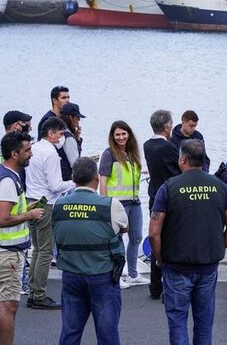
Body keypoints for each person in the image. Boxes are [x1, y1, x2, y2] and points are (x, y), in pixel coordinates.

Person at [149, 139, 227, 345]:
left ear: (182, 159)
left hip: (177, 265)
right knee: (204, 323)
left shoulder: (168, 188)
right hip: (208, 266)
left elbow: (154, 232)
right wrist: (218, 246)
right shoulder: (220, 187)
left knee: (178, 322)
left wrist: (161, 259)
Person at [52, 157, 128, 345]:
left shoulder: (59, 205)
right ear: (96, 177)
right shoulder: (111, 204)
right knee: (107, 335)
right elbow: (124, 228)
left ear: (73, 177)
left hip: (71, 274)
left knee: (70, 332)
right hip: (102, 274)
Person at [25, 117, 75, 310]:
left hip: (31, 201)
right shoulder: (51, 153)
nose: (62, 138)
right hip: (45, 202)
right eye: (61, 134)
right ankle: (39, 294)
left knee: (37, 249)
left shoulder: (34, 148)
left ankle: (32, 290)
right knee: (46, 250)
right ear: (51, 133)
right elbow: (55, 186)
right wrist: (73, 183)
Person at [0, 132, 44, 345]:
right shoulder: (8, 180)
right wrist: (29, 215)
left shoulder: (6, 175)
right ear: (13, 153)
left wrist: (25, 208)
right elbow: (2, 218)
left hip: (7, 251)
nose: (31, 154)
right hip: (8, 253)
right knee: (9, 307)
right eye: (26, 150)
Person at [99, 121, 149, 289]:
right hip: (117, 203)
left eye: (123, 134)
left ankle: (133, 274)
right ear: (113, 136)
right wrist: (104, 203)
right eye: (117, 134)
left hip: (134, 201)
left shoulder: (132, 153)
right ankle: (116, 275)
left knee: (136, 238)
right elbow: (103, 180)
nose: (121, 137)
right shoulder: (109, 154)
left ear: (129, 134)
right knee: (116, 240)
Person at [143, 110, 180, 300]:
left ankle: (155, 285)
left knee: (155, 238)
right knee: (171, 240)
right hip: (170, 197)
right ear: (167, 127)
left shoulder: (147, 145)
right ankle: (170, 284)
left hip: (153, 194)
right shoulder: (170, 148)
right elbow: (179, 169)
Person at [58, 102, 85, 182]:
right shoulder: (69, 138)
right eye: (77, 117)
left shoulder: (59, 133)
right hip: (67, 180)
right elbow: (75, 164)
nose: (79, 120)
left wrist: (77, 139)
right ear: (71, 117)